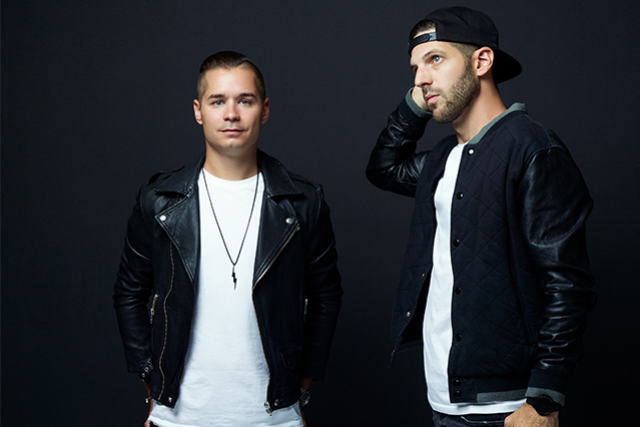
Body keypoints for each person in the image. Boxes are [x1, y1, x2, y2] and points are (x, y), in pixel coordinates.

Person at [366, 7, 595, 427]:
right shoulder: (442, 158)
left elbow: (567, 283)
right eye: (415, 67)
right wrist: (416, 105)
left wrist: (545, 400)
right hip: (444, 399)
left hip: (506, 409)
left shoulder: (532, 147)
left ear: (482, 61)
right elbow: (384, 167)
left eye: (435, 59)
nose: (420, 78)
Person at [113, 51, 342, 427]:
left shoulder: (303, 202)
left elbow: (325, 297)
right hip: (180, 417)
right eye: (217, 101)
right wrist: (151, 381)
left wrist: (300, 386)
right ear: (198, 111)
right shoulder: (159, 200)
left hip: (274, 418)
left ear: (264, 110)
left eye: (245, 101)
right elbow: (129, 292)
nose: (231, 114)